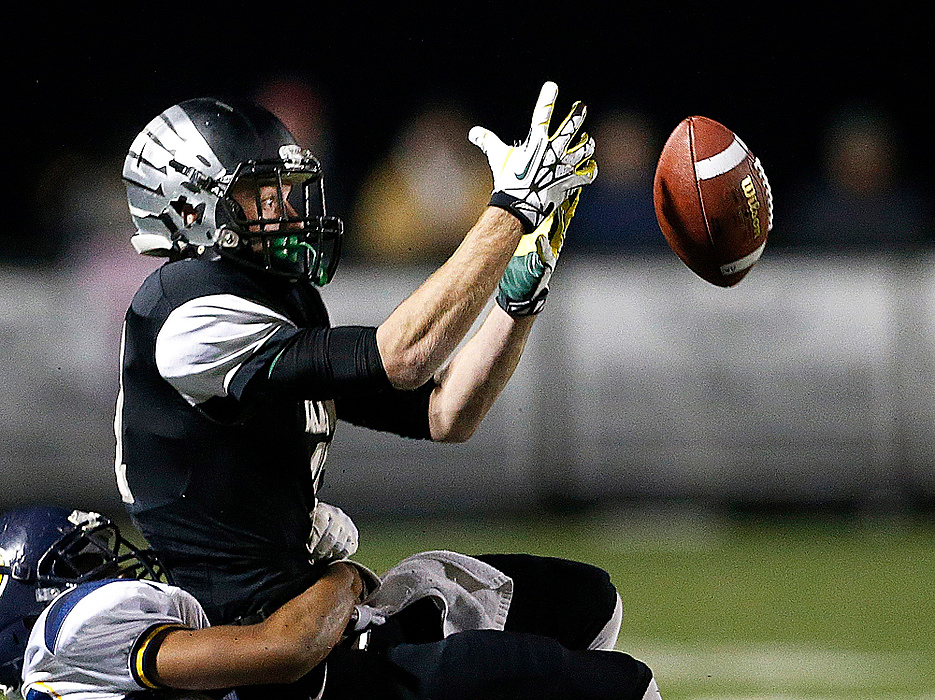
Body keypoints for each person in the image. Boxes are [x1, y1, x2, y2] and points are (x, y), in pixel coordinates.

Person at [115, 80, 596, 627]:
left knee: (585, 603)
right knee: (592, 677)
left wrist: (518, 298)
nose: (284, 207)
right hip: (249, 637)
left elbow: (446, 412)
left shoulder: (284, 299)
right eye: (258, 193)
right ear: (190, 207)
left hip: (306, 603)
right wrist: (510, 212)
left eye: (284, 189)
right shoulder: (187, 312)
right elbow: (400, 356)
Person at [1, 506, 663, 699]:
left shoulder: (75, 666)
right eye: (81, 563)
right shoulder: (69, 631)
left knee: (585, 605)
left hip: (324, 678)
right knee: (615, 684)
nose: (111, 567)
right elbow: (284, 650)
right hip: (324, 684)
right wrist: (339, 574)